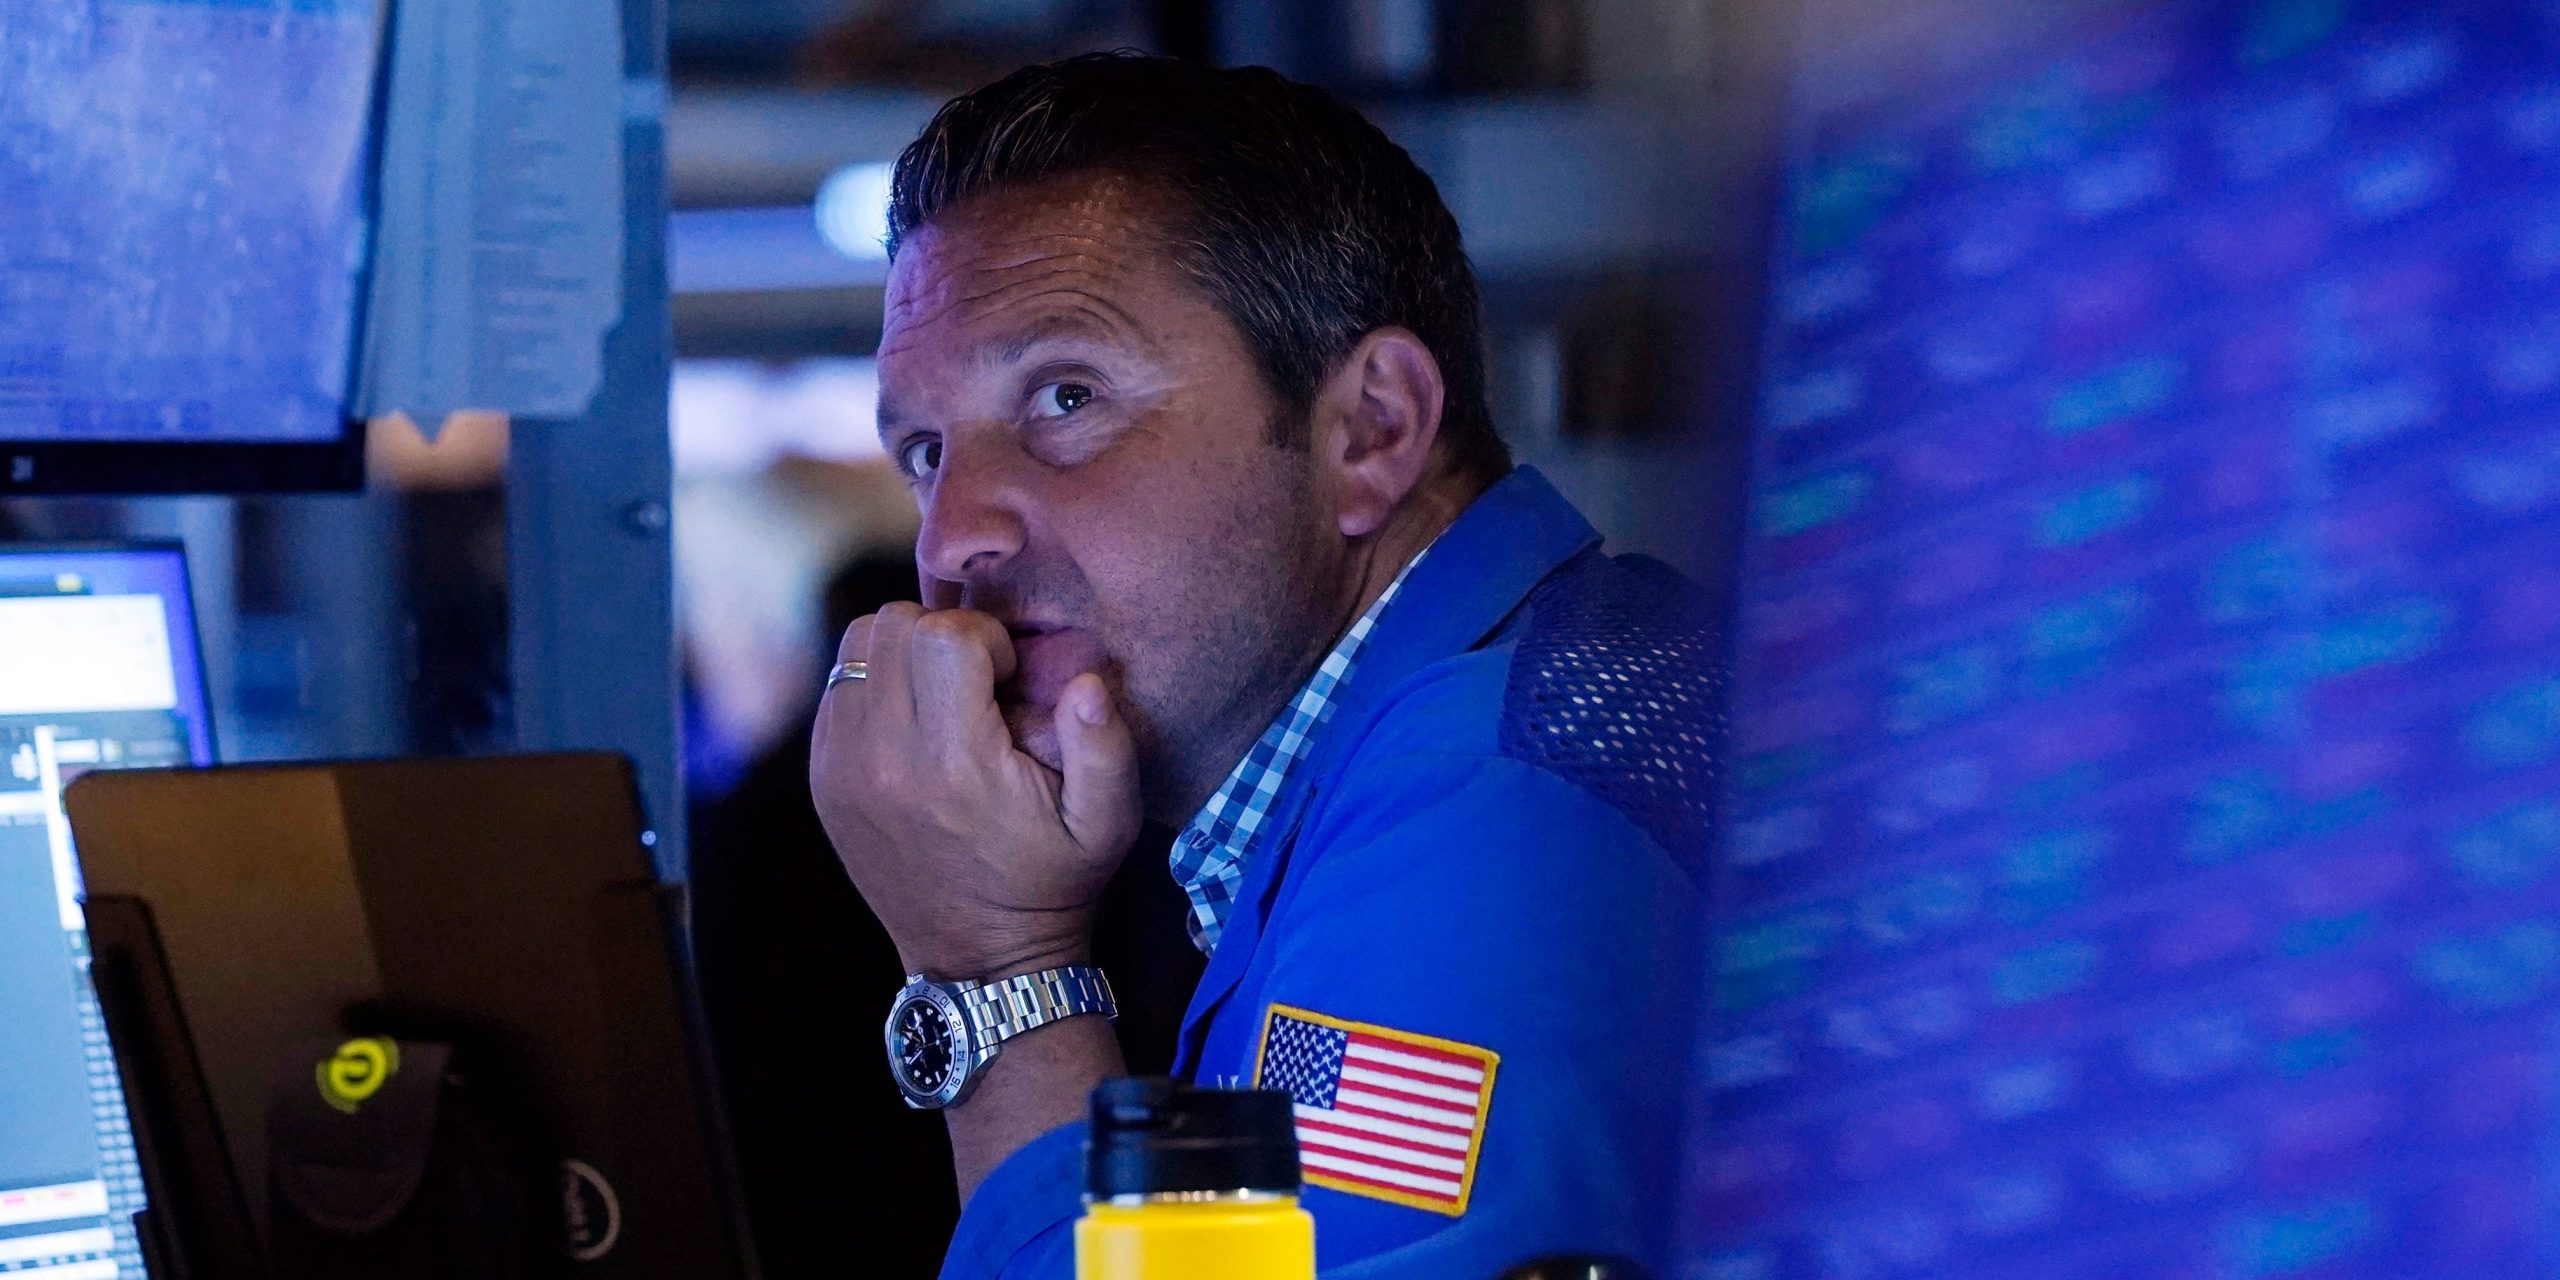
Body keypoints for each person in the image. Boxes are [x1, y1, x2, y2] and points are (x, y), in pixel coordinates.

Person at [809, 52, 1721, 1278]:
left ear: (1372, 426)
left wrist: (994, 966)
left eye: (1065, 396)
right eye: (923, 450)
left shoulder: (1488, 814)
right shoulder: (1438, 746)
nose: (951, 531)